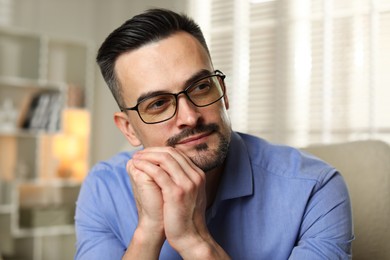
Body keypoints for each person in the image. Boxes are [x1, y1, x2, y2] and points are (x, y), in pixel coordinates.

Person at [75, 8, 354, 259]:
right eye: (158, 104)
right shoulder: (103, 188)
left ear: (223, 93)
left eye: (200, 87)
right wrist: (148, 231)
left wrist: (194, 241)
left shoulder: (316, 189)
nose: (189, 117)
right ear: (128, 129)